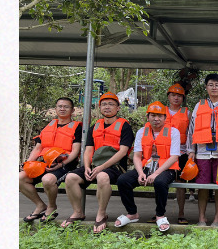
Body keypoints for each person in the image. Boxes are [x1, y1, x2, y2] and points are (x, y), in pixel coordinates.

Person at [61, 92, 135, 233]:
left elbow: (123, 152)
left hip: (115, 167)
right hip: (94, 166)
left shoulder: (125, 126)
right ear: (100, 107)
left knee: (102, 176)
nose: (107, 107)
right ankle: (78, 212)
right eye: (104, 104)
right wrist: (87, 167)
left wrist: (102, 167)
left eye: (111, 104)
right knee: (71, 178)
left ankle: (101, 214)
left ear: (118, 108)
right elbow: (88, 150)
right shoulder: (95, 126)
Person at [115, 101, 180, 232]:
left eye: (160, 116)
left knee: (160, 182)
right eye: (153, 115)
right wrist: (140, 173)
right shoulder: (141, 132)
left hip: (167, 168)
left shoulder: (174, 132)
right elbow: (137, 156)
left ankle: (160, 215)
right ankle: (132, 213)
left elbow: (174, 157)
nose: (156, 119)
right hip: (146, 167)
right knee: (123, 180)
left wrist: (156, 174)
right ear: (147, 116)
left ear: (165, 118)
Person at [187, 73, 218, 227]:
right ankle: (201, 218)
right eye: (211, 84)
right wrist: (191, 151)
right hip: (202, 152)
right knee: (202, 186)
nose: (214, 87)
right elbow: (191, 129)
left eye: (217, 85)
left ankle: (217, 219)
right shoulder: (199, 105)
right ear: (206, 87)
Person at [19, 97, 82, 223]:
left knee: (47, 179)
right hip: (45, 162)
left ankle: (52, 206)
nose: (62, 109)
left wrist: (61, 164)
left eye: (66, 107)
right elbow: (38, 148)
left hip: (65, 164)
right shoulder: (50, 125)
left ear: (72, 110)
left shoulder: (76, 127)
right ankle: (40, 205)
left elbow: (75, 151)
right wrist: (27, 163)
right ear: (55, 109)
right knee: (20, 178)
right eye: (60, 106)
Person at [164, 83, 192, 225]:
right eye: (173, 95)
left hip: (181, 152)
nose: (176, 98)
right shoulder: (160, 112)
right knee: (159, 181)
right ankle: (159, 212)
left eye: (179, 96)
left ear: (183, 98)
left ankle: (181, 213)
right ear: (168, 96)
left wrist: (190, 151)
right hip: (164, 152)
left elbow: (191, 133)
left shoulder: (187, 113)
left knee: (181, 182)